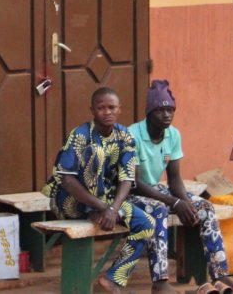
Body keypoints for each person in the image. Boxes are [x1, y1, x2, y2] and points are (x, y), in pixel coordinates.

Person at [130, 81, 233, 293]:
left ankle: (220, 275)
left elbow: (174, 178)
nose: (167, 115)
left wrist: (183, 201)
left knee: (204, 207)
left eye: (170, 110)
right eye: (160, 110)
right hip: (131, 193)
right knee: (158, 212)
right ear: (149, 112)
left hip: (156, 189)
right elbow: (135, 183)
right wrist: (174, 202)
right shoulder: (133, 135)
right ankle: (160, 282)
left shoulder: (173, 134)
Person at [42, 87, 155, 294]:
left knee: (146, 224)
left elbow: (127, 177)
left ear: (119, 109)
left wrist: (113, 208)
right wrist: (104, 207)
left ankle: (113, 278)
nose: (107, 112)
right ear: (92, 110)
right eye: (101, 108)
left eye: (111, 107)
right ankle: (93, 212)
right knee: (98, 152)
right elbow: (66, 180)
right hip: (70, 202)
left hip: (106, 204)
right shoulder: (80, 135)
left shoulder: (125, 136)